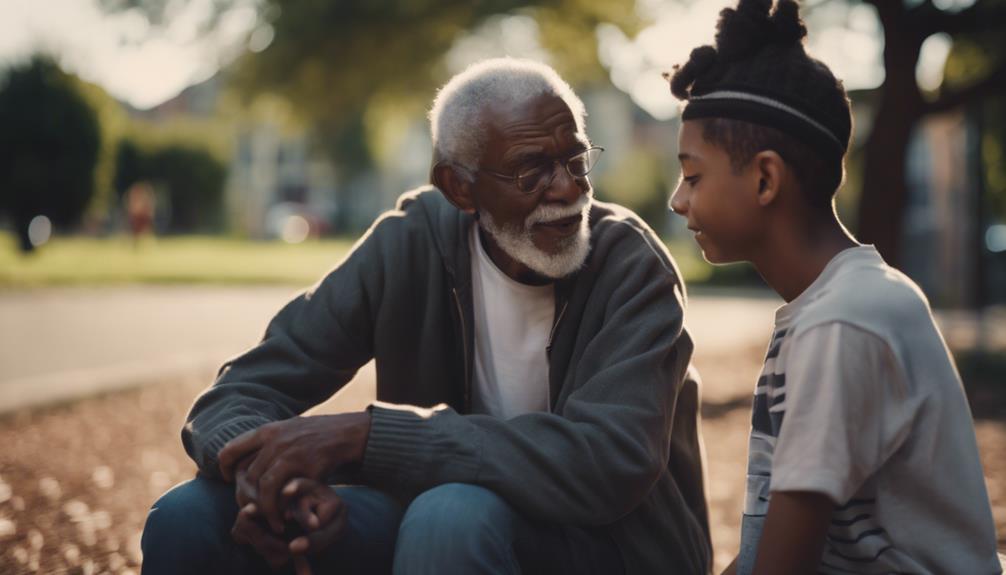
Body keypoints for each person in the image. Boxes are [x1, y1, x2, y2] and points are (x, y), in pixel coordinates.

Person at [141, 58, 712, 575]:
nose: (567, 188)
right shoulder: (412, 243)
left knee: (451, 514)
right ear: (459, 188)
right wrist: (277, 485)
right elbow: (234, 395)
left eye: (576, 158)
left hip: (616, 549)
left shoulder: (631, 267)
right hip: (440, 531)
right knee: (190, 514)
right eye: (530, 169)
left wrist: (370, 438)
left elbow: (608, 462)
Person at [666, 1, 1001, 574]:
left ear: (766, 178)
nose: (678, 199)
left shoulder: (843, 323)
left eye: (693, 175)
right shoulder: (842, 302)